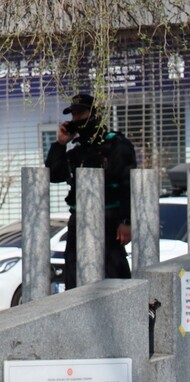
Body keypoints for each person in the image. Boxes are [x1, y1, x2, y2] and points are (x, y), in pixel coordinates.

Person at [45, 94, 136, 289]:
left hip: (109, 220)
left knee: (113, 278)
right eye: (74, 115)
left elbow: (127, 184)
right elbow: (53, 174)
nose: (76, 119)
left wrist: (126, 221)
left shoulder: (116, 145)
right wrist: (60, 144)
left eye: (81, 113)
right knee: (74, 279)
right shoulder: (79, 150)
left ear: (95, 114)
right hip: (79, 220)